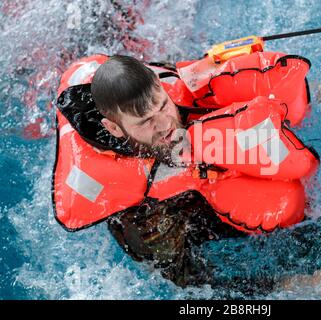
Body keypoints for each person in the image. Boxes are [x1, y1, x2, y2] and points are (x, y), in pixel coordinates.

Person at [90, 55, 247, 288]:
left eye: (163, 106)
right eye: (145, 122)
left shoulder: (174, 86)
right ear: (113, 128)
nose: (165, 125)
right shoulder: (141, 213)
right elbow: (196, 287)